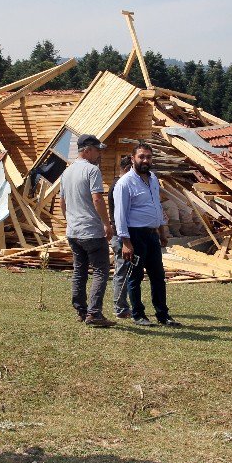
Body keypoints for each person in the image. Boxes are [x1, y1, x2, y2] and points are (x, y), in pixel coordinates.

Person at [113, 143, 181, 327]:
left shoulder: (152, 179)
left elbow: (157, 206)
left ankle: (163, 315)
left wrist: (162, 230)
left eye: (148, 157)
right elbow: (120, 215)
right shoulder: (125, 183)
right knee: (135, 276)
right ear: (133, 158)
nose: (145, 160)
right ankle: (138, 314)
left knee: (158, 276)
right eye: (141, 157)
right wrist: (126, 242)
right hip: (135, 235)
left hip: (152, 235)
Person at [59, 134, 116, 327]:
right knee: (101, 270)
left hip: (73, 231)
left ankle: (81, 310)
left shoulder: (66, 173)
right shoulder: (92, 171)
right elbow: (97, 199)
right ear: (87, 150)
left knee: (80, 270)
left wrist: (70, 221)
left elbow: (62, 202)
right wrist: (107, 224)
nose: (100, 154)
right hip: (91, 230)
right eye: (98, 150)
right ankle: (95, 313)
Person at [109, 155, 134, 319]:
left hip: (121, 234)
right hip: (120, 235)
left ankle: (123, 305)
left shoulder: (118, 184)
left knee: (124, 271)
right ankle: (120, 307)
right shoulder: (120, 185)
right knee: (122, 271)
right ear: (126, 169)